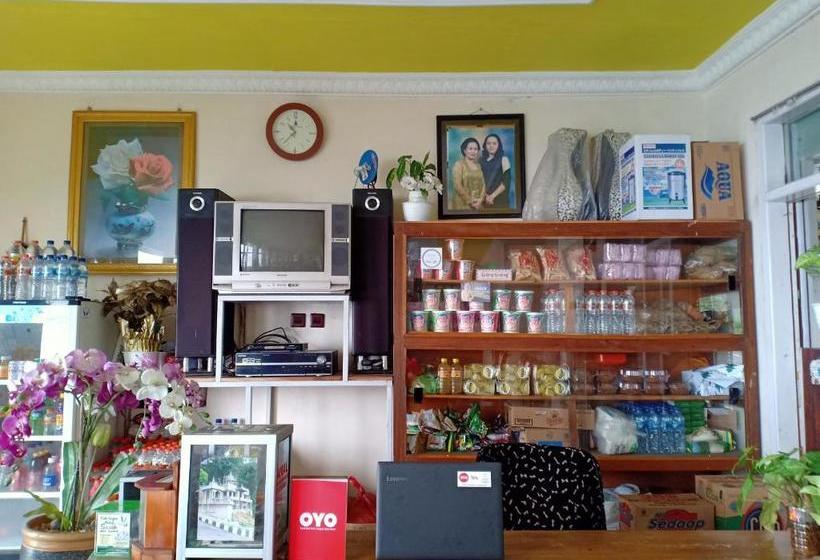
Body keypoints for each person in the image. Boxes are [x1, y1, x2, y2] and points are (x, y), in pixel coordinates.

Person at [451, 137, 486, 210]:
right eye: (470, 149)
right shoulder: (459, 165)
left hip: (478, 205)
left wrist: (480, 200)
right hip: (462, 205)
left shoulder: (479, 166)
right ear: (464, 150)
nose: (473, 151)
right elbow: (457, 185)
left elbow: (484, 185)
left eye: (475, 149)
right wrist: (470, 201)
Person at [480, 133, 512, 208]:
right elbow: (478, 181)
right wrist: (485, 196)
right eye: (488, 143)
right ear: (485, 145)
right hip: (484, 199)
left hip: (499, 200)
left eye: (494, 143)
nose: (491, 146)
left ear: (499, 145)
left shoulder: (504, 159)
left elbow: (506, 182)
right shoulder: (480, 160)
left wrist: (492, 196)